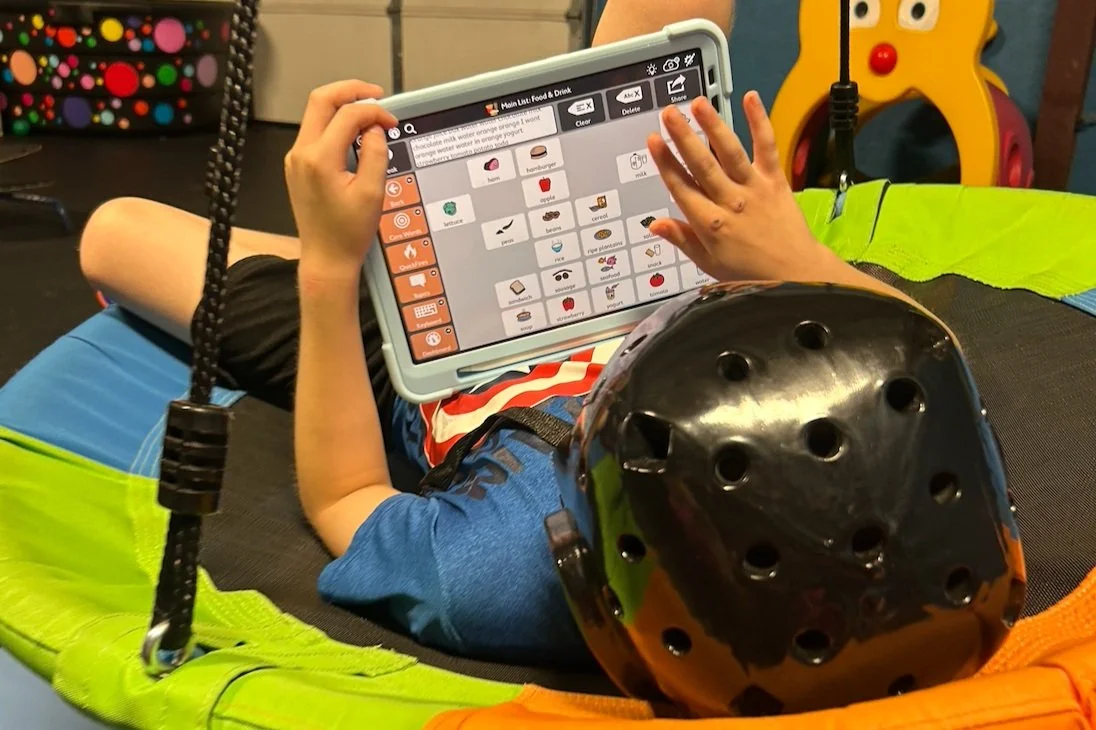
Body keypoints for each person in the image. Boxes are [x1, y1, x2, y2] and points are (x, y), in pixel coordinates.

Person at [79, 0, 956, 669]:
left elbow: (347, 492)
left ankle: (363, 247)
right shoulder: (891, 473)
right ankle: (371, 239)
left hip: (419, 355)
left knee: (113, 232)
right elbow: (930, 354)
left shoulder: (509, 571)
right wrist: (789, 254)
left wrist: (334, 273)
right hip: (656, 257)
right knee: (668, 64)